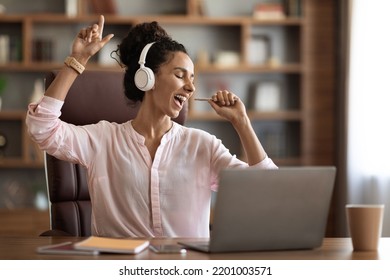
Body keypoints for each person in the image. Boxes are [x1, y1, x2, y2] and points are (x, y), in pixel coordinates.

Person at [26, 15, 277, 238]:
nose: (190, 88)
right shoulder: (104, 139)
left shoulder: (203, 144)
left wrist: (242, 122)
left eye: (192, 79)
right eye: (180, 75)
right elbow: (42, 128)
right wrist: (77, 59)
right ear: (147, 78)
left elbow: (267, 190)